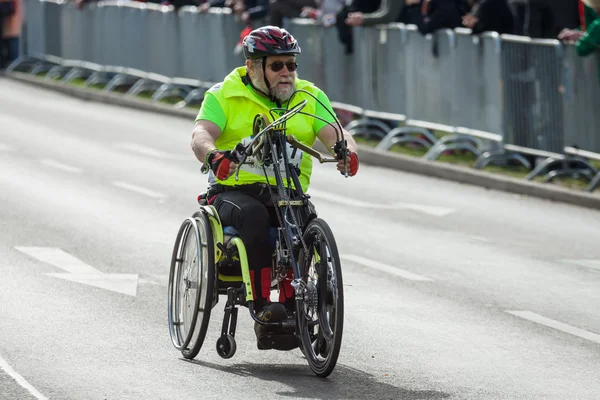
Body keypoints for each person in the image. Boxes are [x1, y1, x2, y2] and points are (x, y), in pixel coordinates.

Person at [190, 25, 359, 348]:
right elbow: (200, 134)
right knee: (253, 216)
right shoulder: (224, 94)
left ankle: (304, 306)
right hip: (234, 193)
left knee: (306, 224)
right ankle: (264, 308)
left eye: (291, 65)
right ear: (254, 67)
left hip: (288, 193)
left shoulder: (309, 97)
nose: (287, 73)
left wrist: (346, 152)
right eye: (277, 65)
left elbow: (337, 133)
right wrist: (215, 157)